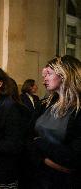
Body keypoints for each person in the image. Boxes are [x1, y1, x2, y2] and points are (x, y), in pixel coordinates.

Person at [29, 55, 81, 189]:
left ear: (64, 75)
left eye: (49, 74)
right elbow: (27, 139)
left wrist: (38, 142)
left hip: (65, 182)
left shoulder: (78, 109)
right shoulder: (45, 104)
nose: (44, 79)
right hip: (38, 175)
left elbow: (73, 158)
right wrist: (44, 160)